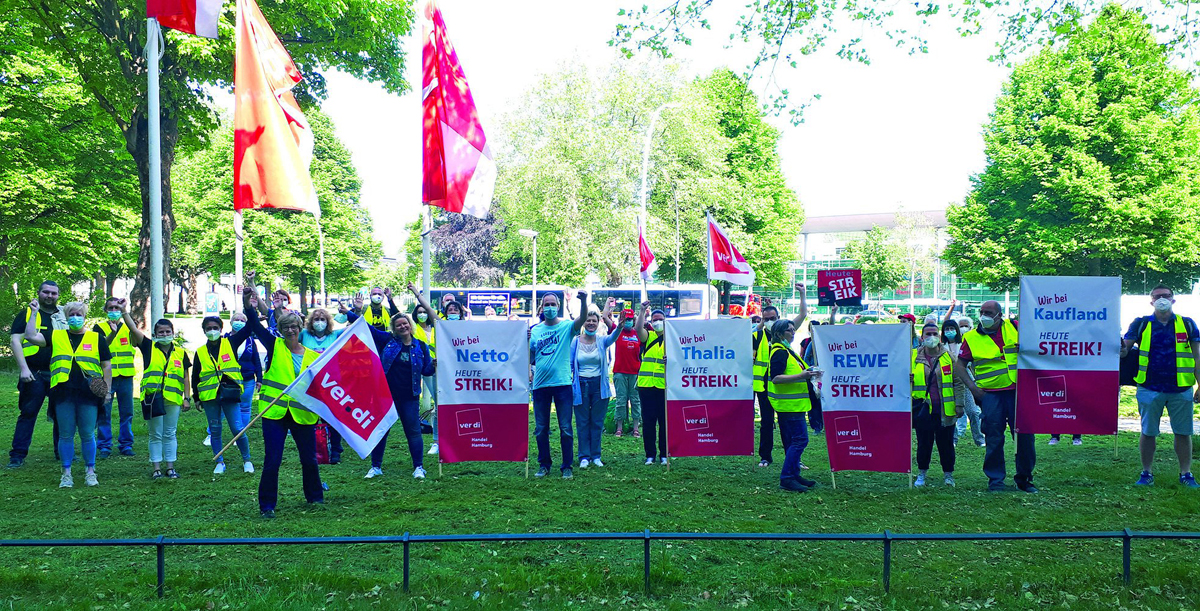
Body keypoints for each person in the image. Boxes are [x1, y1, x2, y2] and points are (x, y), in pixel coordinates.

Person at [242, 291, 323, 518]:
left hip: (301, 414)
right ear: (280, 329)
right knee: (273, 460)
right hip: (274, 412)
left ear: (300, 329)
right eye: (285, 327)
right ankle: (267, 505)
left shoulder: (313, 357)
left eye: (294, 327)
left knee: (308, 458)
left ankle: (315, 496)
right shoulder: (275, 345)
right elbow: (255, 326)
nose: (290, 330)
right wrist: (249, 306)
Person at [348, 283, 436, 480]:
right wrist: (354, 310)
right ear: (394, 328)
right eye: (398, 325)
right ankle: (376, 466)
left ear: (410, 326)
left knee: (413, 432)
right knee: (381, 431)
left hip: (409, 396)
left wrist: (436, 365)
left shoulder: (420, 346)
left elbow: (427, 370)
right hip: (385, 395)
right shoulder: (387, 340)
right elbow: (364, 326)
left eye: (405, 324)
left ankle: (419, 467)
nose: (403, 326)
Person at [20, 302, 112, 488]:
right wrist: (33, 313)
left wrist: (107, 390)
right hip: (63, 392)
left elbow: (106, 365)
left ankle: (90, 472)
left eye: (79, 314)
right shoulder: (57, 335)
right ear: (66, 317)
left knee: (87, 433)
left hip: (88, 393)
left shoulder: (96, 338)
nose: (75, 317)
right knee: (66, 434)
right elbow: (30, 336)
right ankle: (66, 473)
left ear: (85, 316)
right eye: (71, 314)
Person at [1122, 285, 1200, 488]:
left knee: (1183, 432)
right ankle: (1146, 473)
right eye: (1157, 296)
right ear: (1151, 301)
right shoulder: (1141, 323)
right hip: (1149, 387)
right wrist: (1120, 347)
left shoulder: (1188, 324)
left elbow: (1197, 356)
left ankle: (1186, 474)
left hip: (1181, 388)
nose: (1162, 299)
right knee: (1148, 432)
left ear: (1173, 300)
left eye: (1166, 296)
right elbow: (1124, 351)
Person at [959, 300, 1036, 492]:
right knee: (993, 438)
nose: (984, 315)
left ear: (999, 315)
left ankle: (1024, 479)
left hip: (1019, 392)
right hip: (991, 395)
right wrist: (973, 389)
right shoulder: (971, 337)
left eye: (989, 312)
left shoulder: (1016, 327)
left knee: (1025, 437)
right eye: (982, 311)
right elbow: (959, 365)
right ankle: (995, 481)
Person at [530, 291, 588, 478]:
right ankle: (544, 465)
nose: (549, 308)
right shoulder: (536, 330)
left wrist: (584, 301)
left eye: (552, 304)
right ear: (541, 307)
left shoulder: (566, 327)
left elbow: (583, 319)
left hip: (562, 384)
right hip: (540, 386)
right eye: (546, 304)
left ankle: (567, 466)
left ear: (558, 306)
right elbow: (530, 356)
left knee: (565, 428)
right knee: (540, 429)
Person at [8, 280, 66, 468]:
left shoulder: (64, 315)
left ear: (58, 295)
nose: (50, 296)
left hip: (58, 372)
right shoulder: (27, 313)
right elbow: (15, 340)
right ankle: (17, 456)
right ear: (39, 293)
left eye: (54, 293)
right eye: (46, 292)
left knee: (61, 415)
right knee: (28, 413)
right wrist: (23, 368)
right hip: (34, 373)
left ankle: (62, 453)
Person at [753, 287, 808, 467]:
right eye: (766, 319)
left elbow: (802, 314)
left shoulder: (785, 331)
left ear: (778, 318)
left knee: (787, 425)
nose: (769, 322)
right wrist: (761, 323)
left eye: (772, 319)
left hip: (783, 388)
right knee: (767, 422)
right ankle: (765, 457)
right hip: (764, 386)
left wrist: (802, 294)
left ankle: (792, 458)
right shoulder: (758, 335)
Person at [193, 316, 255, 476]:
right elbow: (195, 376)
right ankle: (219, 462)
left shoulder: (231, 342)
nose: (212, 331)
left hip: (229, 393)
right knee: (215, 429)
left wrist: (250, 306)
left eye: (215, 328)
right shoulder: (200, 352)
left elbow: (249, 327)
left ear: (221, 329)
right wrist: (196, 398)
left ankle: (247, 460)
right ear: (204, 331)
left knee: (237, 428)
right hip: (209, 396)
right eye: (208, 328)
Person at [767, 318, 821, 492]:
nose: (793, 332)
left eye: (793, 329)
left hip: (793, 405)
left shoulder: (787, 350)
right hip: (789, 406)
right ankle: (788, 478)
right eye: (789, 330)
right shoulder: (780, 352)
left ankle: (794, 474)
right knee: (800, 440)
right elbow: (776, 378)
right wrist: (802, 376)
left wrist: (809, 371)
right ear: (779, 334)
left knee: (793, 442)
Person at [136, 318, 191, 479]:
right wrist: (124, 312)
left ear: (173, 333)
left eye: (168, 332)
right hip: (153, 398)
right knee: (155, 434)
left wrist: (186, 398)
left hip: (173, 398)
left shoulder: (180, 353)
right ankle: (156, 468)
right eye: (161, 332)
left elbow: (186, 377)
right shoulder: (148, 348)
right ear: (155, 334)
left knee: (170, 432)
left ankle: (170, 466)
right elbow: (134, 330)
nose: (165, 334)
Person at [912, 322, 965, 487]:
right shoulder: (913, 357)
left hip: (945, 409)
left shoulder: (949, 357)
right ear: (922, 337)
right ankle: (921, 474)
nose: (931, 337)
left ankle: (948, 475)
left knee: (946, 444)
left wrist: (960, 405)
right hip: (923, 409)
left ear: (940, 337)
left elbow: (958, 382)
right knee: (924, 443)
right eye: (928, 334)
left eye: (934, 333)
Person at [571, 303, 620, 468]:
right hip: (581, 386)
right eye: (588, 320)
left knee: (597, 422)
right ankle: (584, 456)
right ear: (584, 323)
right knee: (582, 422)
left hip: (599, 385)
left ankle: (596, 456)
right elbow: (571, 364)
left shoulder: (602, 341)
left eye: (594, 320)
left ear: (599, 322)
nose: (591, 323)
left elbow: (613, 337)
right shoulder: (575, 342)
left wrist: (619, 326)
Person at [300, 307, 347, 463]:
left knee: (332, 418)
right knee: (311, 417)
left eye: (322, 319)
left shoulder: (335, 335)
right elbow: (289, 335)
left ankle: (335, 450)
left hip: (331, 383)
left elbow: (354, 327)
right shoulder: (304, 335)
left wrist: (356, 311)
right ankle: (315, 449)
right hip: (309, 382)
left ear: (328, 322)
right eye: (316, 319)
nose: (319, 322)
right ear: (311, 322)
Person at [94, 297, 136, 458]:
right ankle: (104, 445)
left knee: (127, 412)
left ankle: (126, 444)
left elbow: (137, 340)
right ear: (105, 310)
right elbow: (100, 346)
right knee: (105, 411)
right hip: (107, 377)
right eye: (110, 308)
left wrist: (125, 311)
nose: (113, 311)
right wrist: (112, 333)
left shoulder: (127, 327)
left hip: (126, 377)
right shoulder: (99, 327)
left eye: (116, 309)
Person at [635, 302, 669, 466]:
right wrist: (642, 311)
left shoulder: (673, 338)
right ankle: (650, 455)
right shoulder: (648, 336)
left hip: (664, 386)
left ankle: (664, 454)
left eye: (660, 319)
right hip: (647, 385)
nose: (657, 322)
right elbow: (637, 329)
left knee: (664, 422)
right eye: (655, 319)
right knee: (648, 421)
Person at [944, 319, 984, 448]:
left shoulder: (964, 344)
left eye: (952, 329)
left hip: (965, 380)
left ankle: (979, 439)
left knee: (973, 411)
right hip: (947, 382)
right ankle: (953, 439)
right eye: (946, 329)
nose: (949, 332)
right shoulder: (941, 347)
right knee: (950, 412)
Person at [604, 305, 642, 438]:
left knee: (635, 400)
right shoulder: (617, 331)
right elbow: (604, 317)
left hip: (635, 372)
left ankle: (636, 427)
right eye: (626, 319)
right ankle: (619, 427)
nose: (628, 321)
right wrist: (608, 304)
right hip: (620, 371)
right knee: (621, 399)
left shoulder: (638, 332)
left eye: (630, 319)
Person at [410, 300, 439, 456]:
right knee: (436, 402)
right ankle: (435, 440)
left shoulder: (436, 328)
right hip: (425, 368)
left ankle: (442, 438)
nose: (422, 314)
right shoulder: (413, 328)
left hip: (441, 367)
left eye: (424, 311)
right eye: (419, 312)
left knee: (442, 404)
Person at [230, 311, 265, 434]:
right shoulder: (225, 339)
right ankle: (211, 433)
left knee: (245, 407)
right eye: (236, 320)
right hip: (229, 380)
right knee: (226, 407)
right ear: (231, 322)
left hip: (248, 379)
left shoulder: (250, 341)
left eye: (242, 320)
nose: (239, 323)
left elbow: (256, 360)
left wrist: (259, 379)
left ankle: (240, 434)